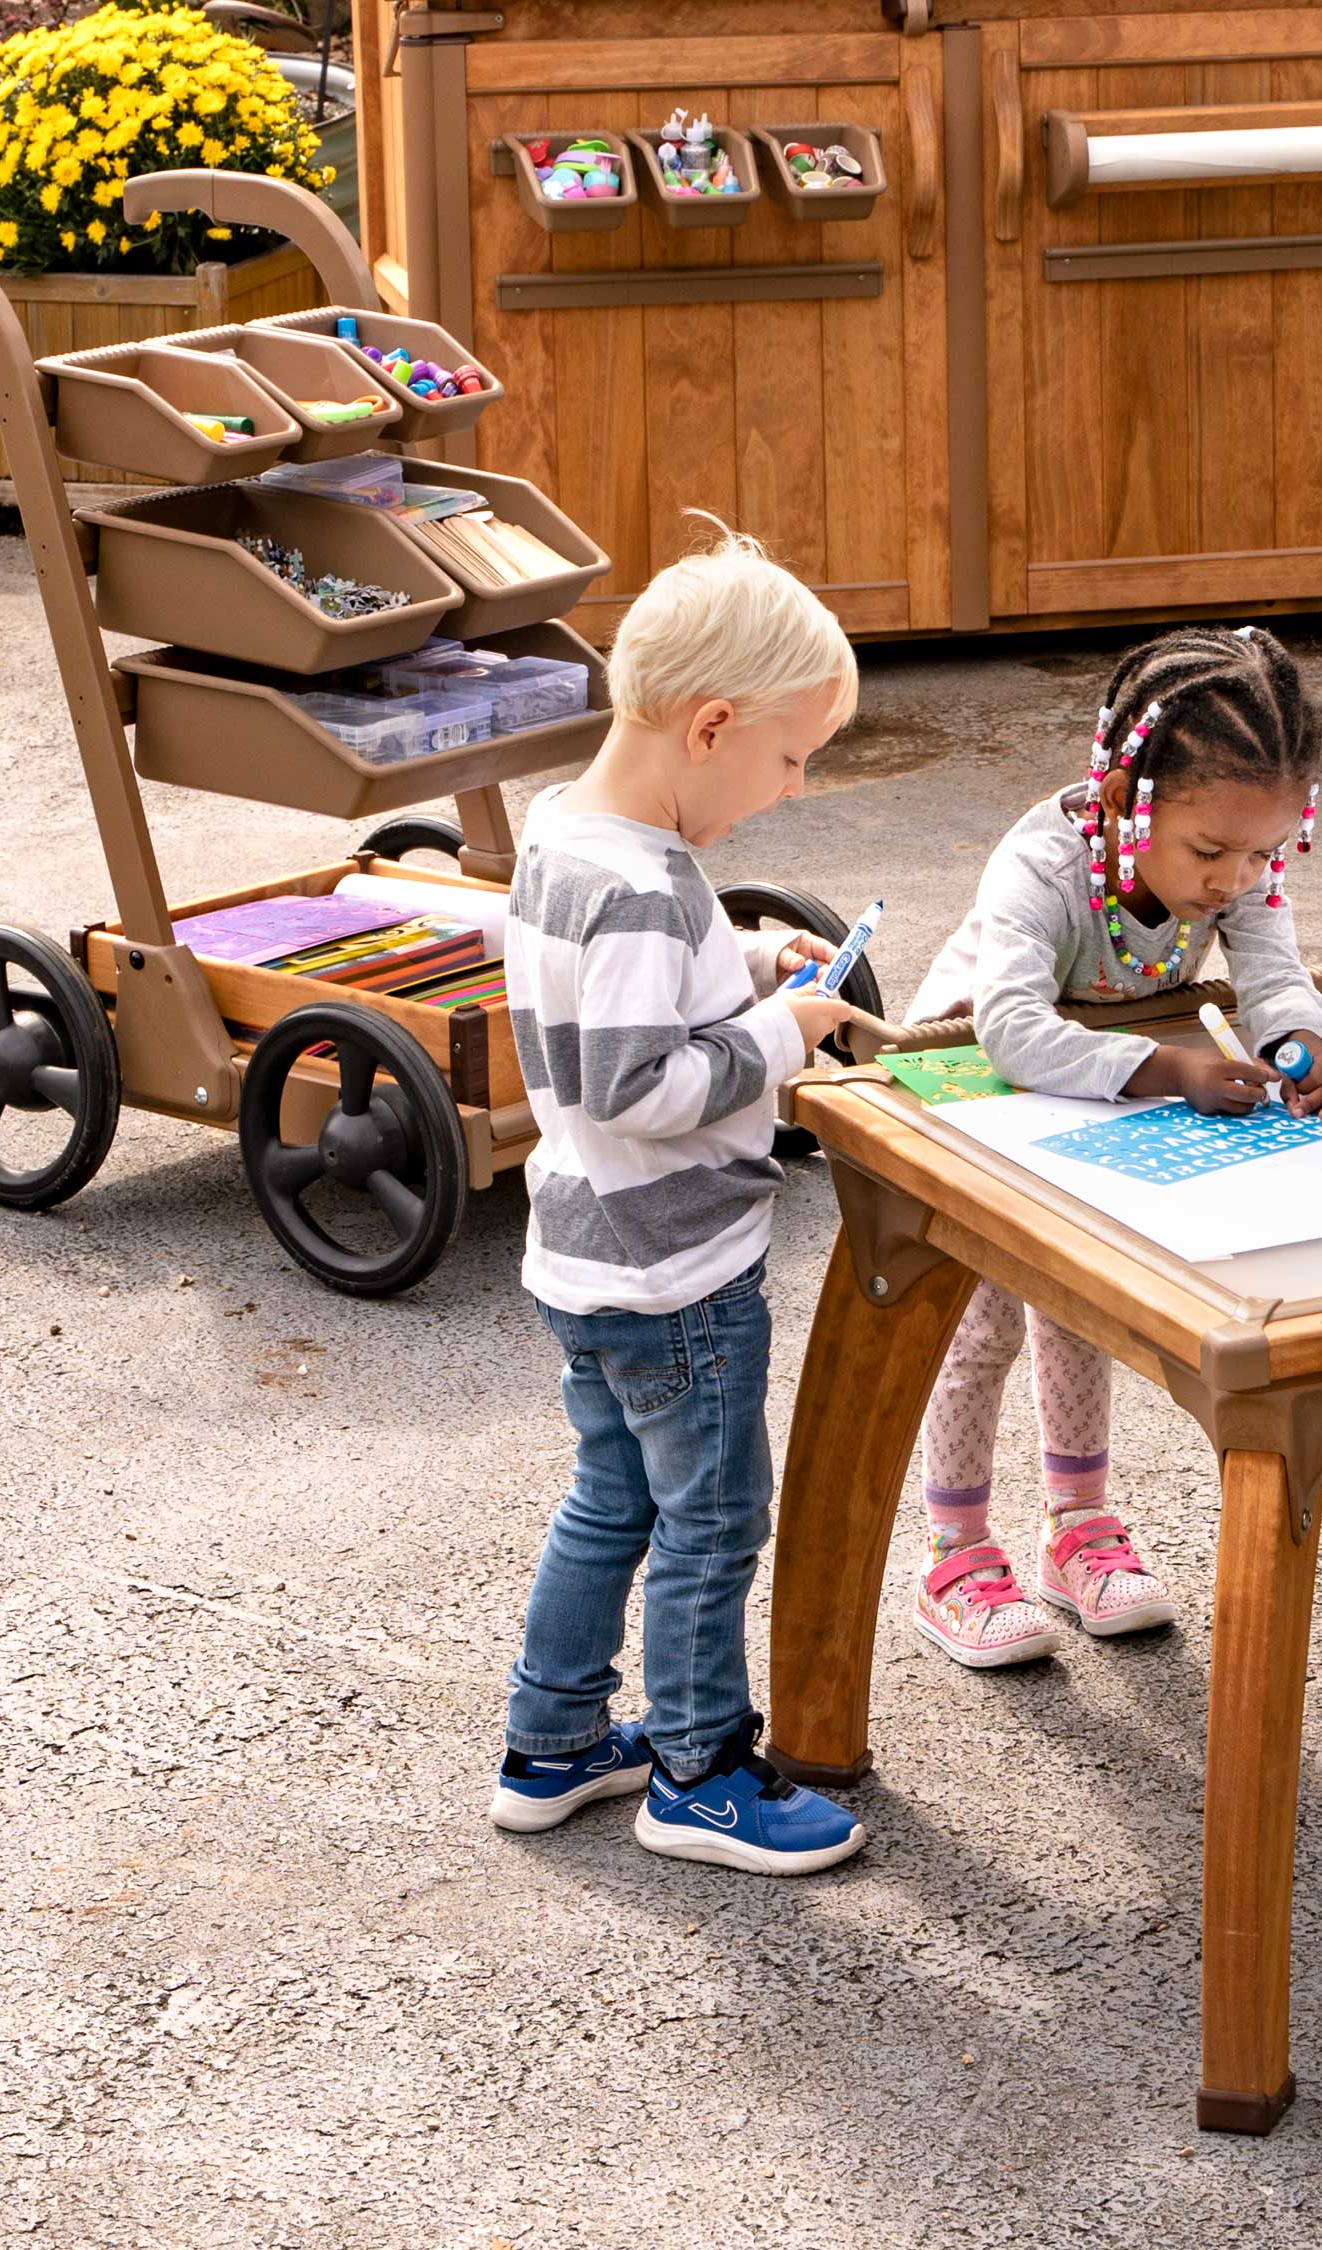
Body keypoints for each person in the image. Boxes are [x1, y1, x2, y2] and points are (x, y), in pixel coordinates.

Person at [488, 517, 870, 1876]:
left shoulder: (568, 838)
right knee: (712, 1519)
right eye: (786, 758)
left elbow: (613, 1015)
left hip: (584, 1255)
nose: (789, 788)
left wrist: (750, 962)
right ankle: (700, 1769)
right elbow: (645, 1084)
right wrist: (786, 1035)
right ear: (709, 725)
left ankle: (551, 1743)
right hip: (678, 1276)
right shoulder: (649, 884)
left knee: (613, 1497)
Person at [902, 624, 1322, 1667]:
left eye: (1263, 853)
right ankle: (955, 1554)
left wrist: (1302, 1038)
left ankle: (1078, 1534)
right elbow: (1005, 1030)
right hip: (961, 1106)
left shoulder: (1236, 867)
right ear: (1120, 801)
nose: (1236, 879)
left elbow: (1275, 971)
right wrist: (1168, 1072)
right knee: (980, 1333)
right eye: (1210, 853)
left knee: (1077, 1316)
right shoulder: (1045, 866)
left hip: (1083, 1107)